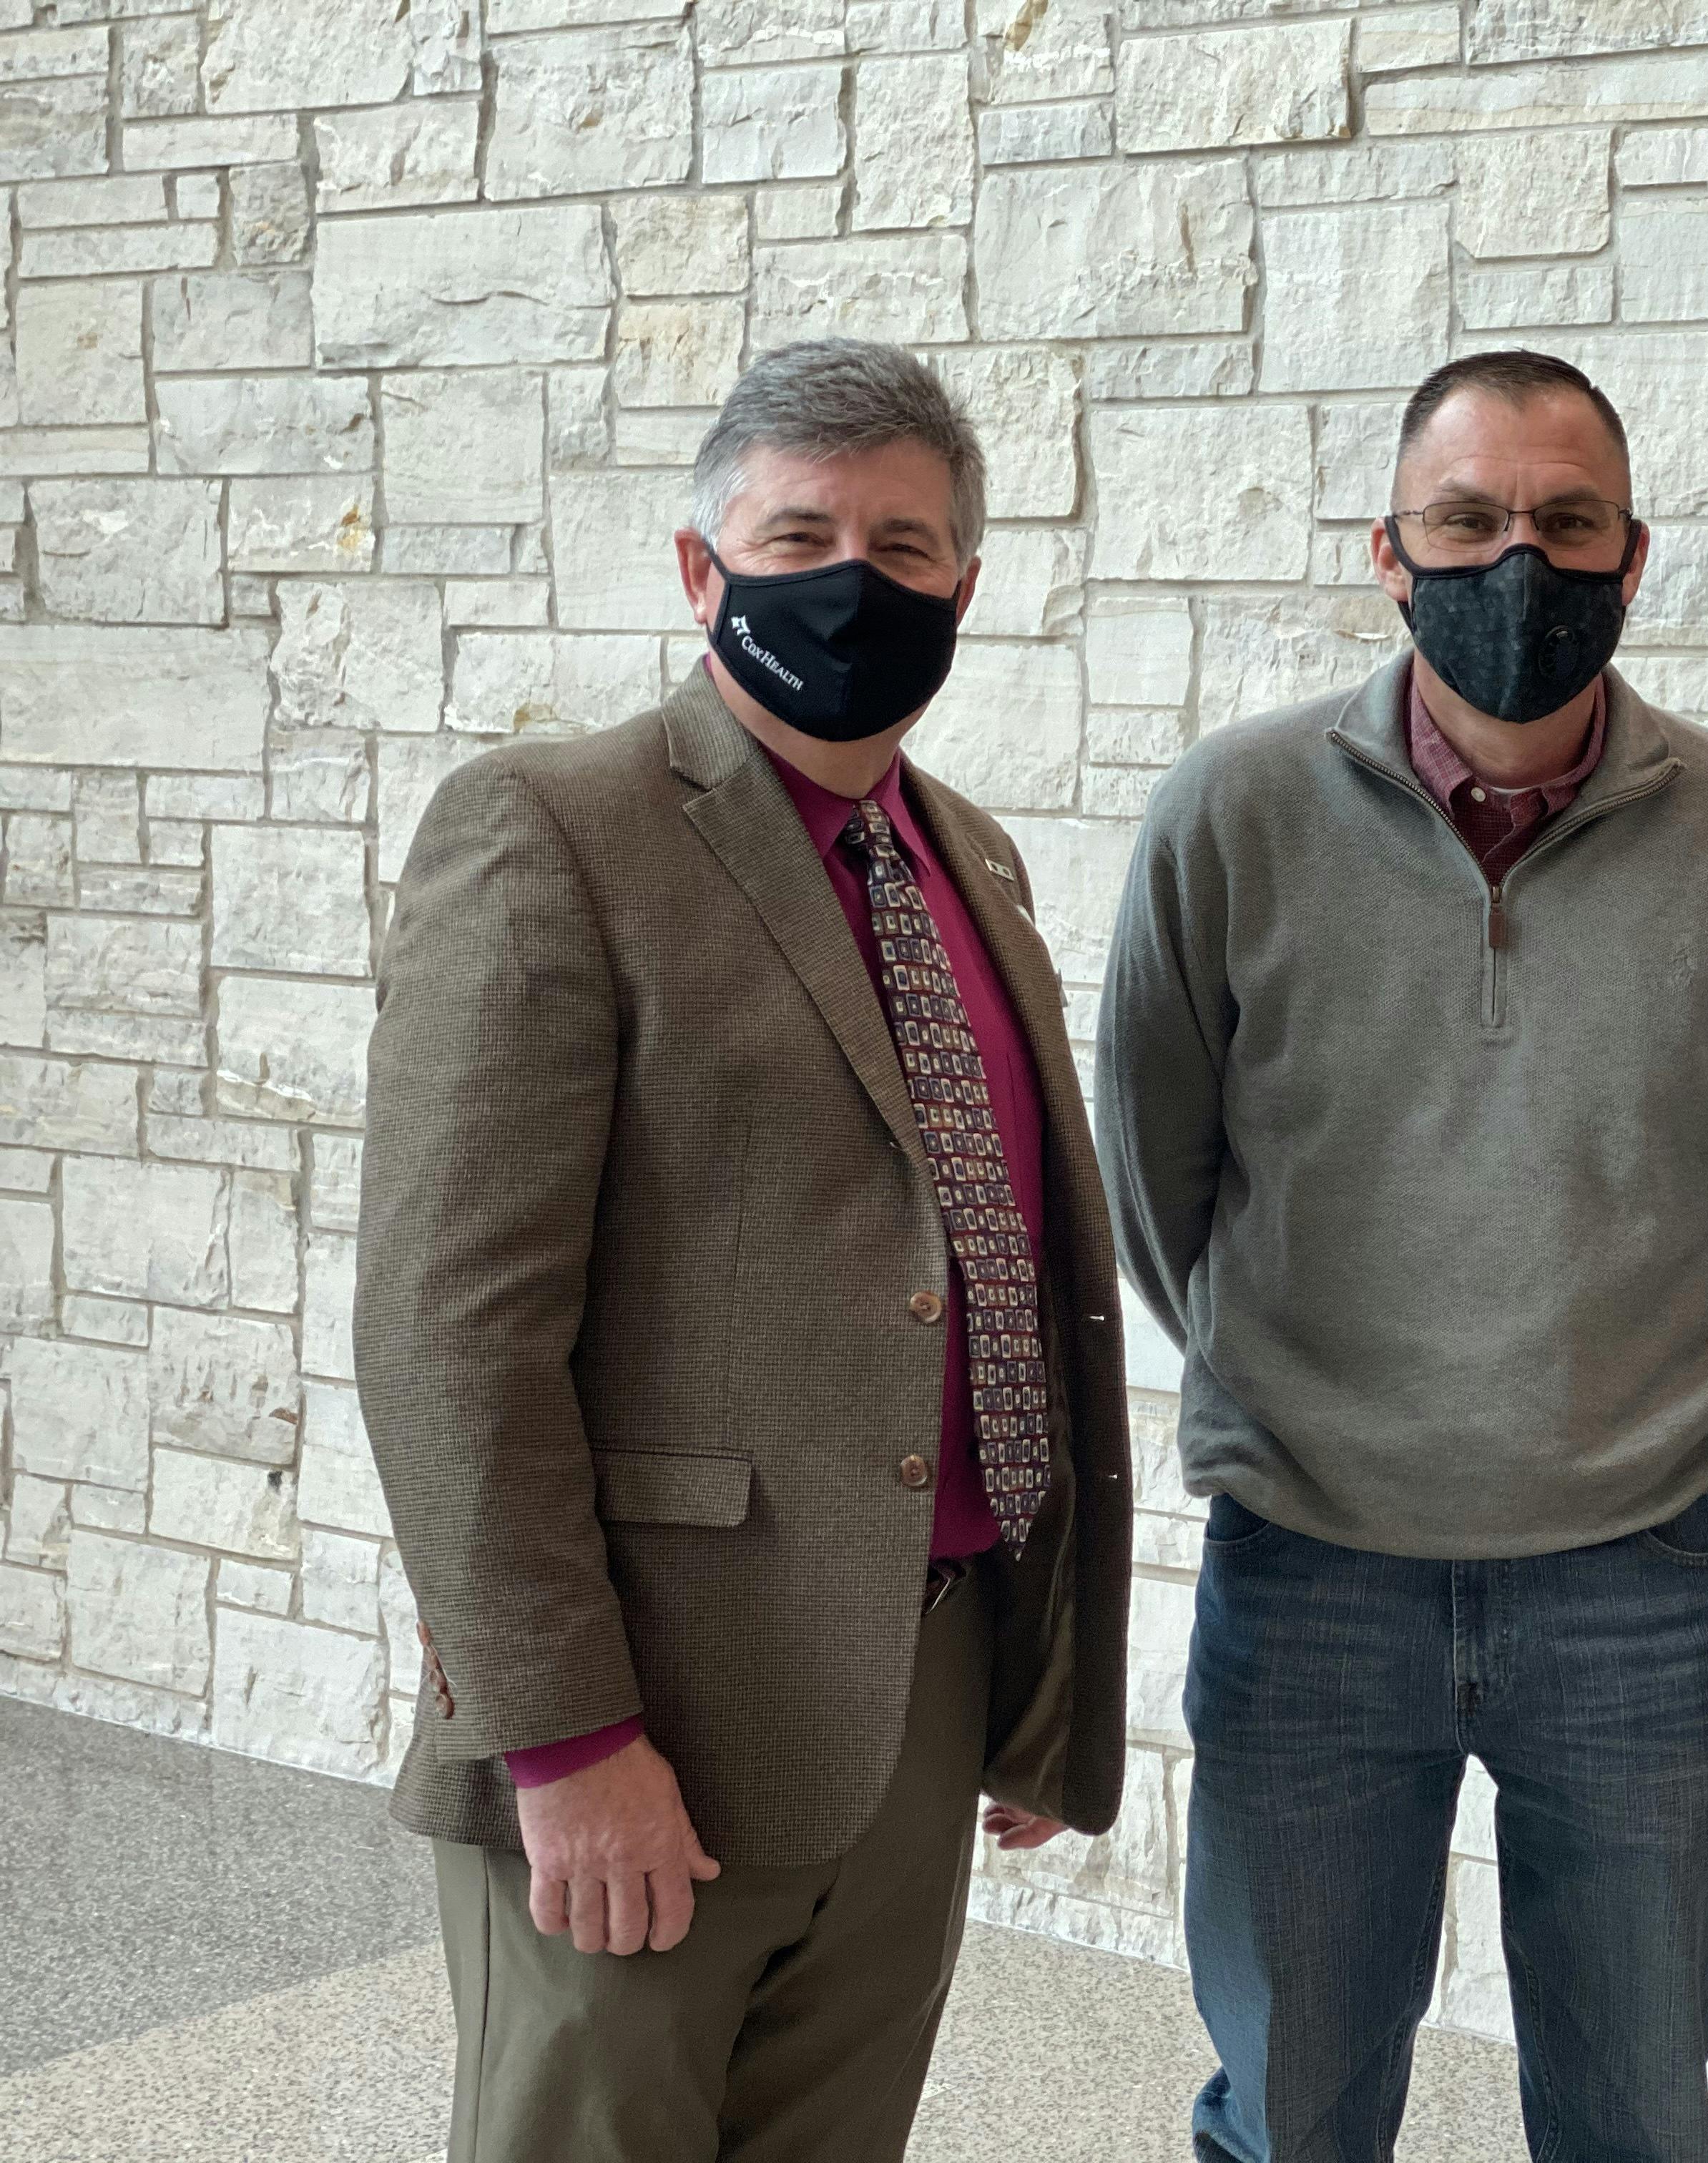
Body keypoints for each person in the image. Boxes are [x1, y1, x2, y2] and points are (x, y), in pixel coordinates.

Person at [1096, 348, 1708, 2163]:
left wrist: (1624, 1382)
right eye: (1467, 521)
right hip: (1310, 1569)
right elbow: (1161, 1180)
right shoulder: (1230, 816)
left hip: (1649, 1574)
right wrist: (1305, 1390)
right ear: (1389, 550)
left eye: (1563, 522)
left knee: (1638, 2119)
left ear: (1634, 553)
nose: (1514, 560)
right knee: (1289, 2110)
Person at [356, 338, 1134, 2163]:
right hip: (653, 1717)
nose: (854, 576)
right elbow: (446, 1335)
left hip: (922, 1692)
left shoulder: (975, 860)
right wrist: (562, 1743)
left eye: (906, 543)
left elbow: (995, 1271)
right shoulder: (553, 831)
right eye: (800, 533)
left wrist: (1029, 1674)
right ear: (703, 572)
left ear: (966, 587)